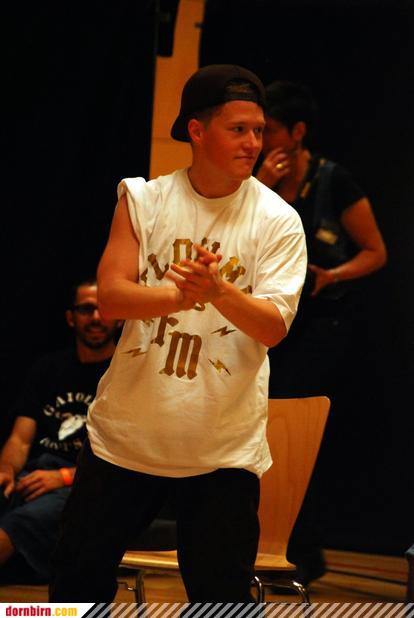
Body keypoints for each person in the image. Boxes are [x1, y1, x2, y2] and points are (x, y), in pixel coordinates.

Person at [49, 64, 307, 606]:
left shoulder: (278, 220)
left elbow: (274, 327)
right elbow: (111, 298)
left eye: (259, 130)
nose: (253, 143)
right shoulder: (143, 200)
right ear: (197, 130)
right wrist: (178, 297)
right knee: (75, 586)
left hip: (222, 447)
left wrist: (217, 291)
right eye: (238, 129)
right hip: (126, 438)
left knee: (221, 599)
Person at [255, 80, 387, 585]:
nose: (259, 140)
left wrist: (331, 275)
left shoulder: (334, 180)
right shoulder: (258, 179)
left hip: (321, 324)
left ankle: (298, 552)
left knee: (291, 428)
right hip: (272, 321)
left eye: (268, 130)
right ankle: (277, 548)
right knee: (262, 427)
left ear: (298, 132)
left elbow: (375, 252)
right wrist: (261, 186)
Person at [0, 278, 120, 584]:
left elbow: (128, 457)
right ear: (71, 318)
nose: (96, 317)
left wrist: (63, 477)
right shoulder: (48, 369)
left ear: (119, 318)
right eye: (86, 309)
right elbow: (20, 438)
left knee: (24, 521)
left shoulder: (125, 374)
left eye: (103, 309)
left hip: (90, 484)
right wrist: (6, 470)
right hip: (36, 474)